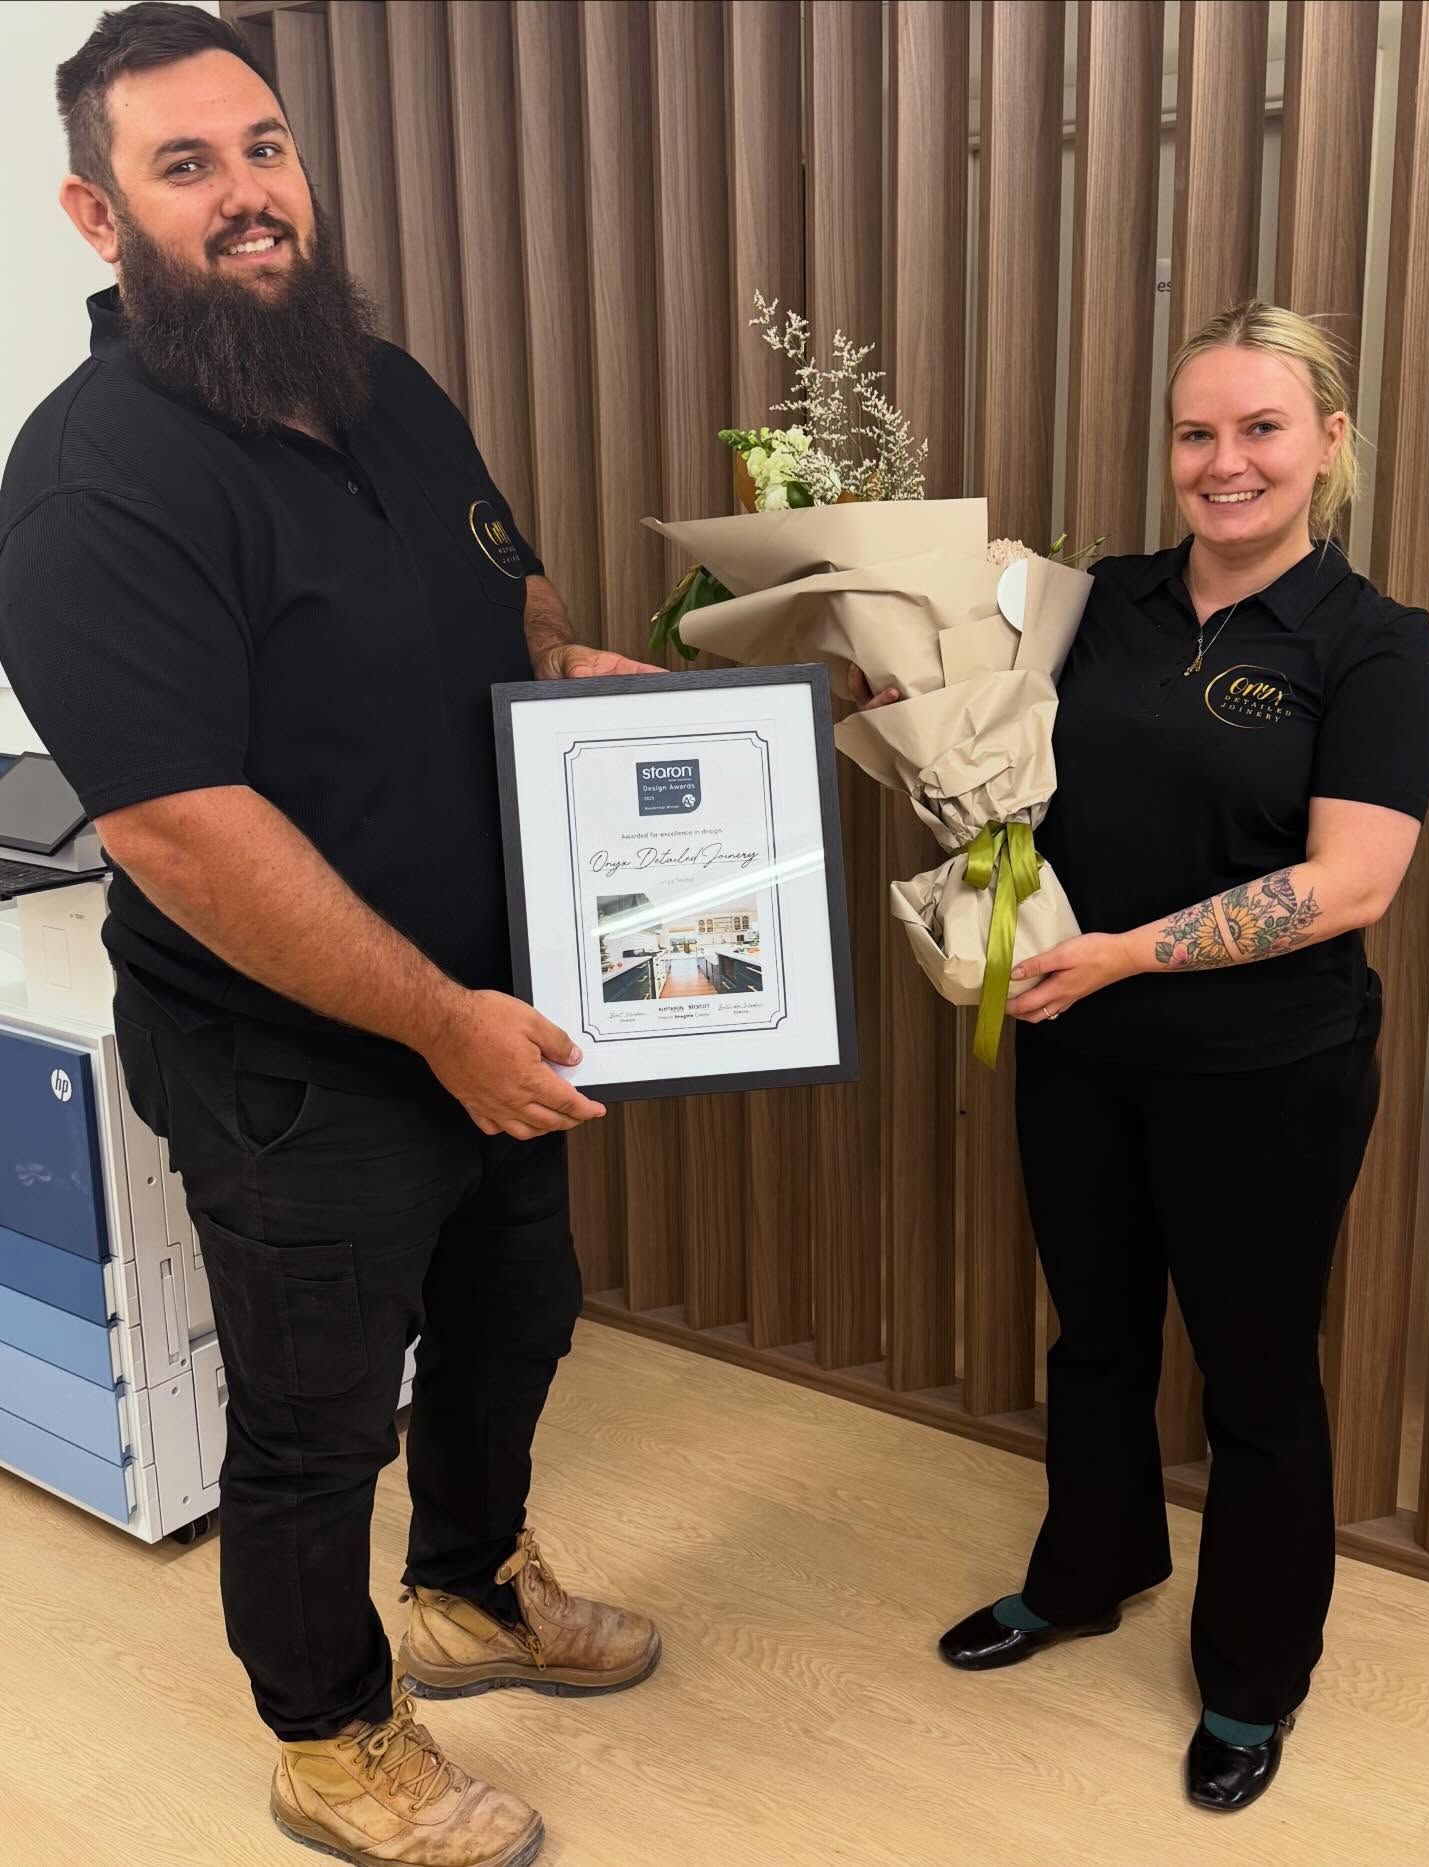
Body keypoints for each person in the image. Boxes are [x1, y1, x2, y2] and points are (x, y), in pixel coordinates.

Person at [0, 9, 664, 1865]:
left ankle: (469, 1591)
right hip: (296, 1063)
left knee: (516, 1322)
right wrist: (437, 1021)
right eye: (187, 165)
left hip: (491, 1007)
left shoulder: (385, 380)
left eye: (265, 148)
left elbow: (500, 580)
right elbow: (183, 832)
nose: (249, 193)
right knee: (312, 1426)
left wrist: (565, 665)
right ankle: (334, 1737)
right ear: (97, 212)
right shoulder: (89, 484)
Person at [934, 302, 1429, 1811]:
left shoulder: (1377, 644)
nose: (1226, 462)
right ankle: (1088, 1573)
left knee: (1256, 1374)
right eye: (1197, 432)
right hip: (1081, 1048)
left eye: (1262, 428)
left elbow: (1352, 885)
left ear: (1329, 444)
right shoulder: (1101, 602)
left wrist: (1131, 953)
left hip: (1267, 1073)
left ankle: (1252, 1678)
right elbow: (989, 753)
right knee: (1093, 1335)